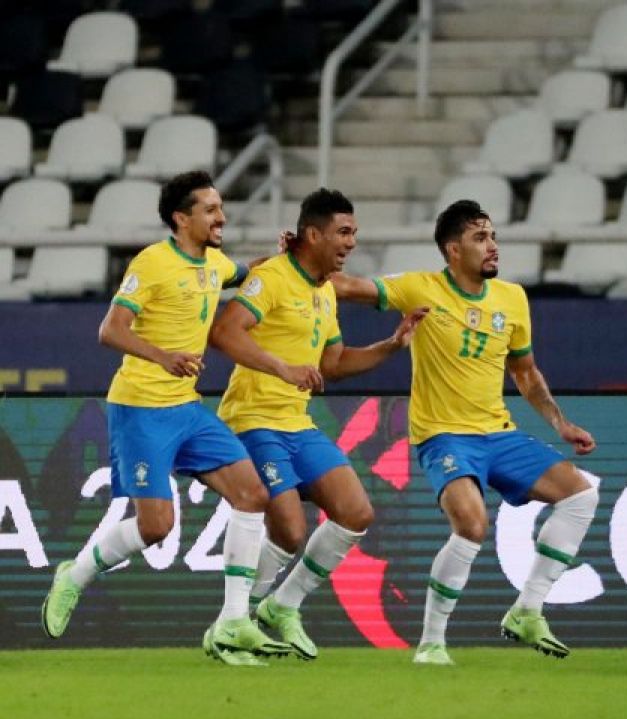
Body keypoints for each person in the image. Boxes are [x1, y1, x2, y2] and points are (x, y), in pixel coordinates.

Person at [40, 170, 291, 666]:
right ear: (182, 218)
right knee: (155, 527)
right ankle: (74, 576)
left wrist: (280, 258)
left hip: (187, 409)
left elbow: (247, 272)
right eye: (211, 210)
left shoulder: (214, 263)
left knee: (252, 494)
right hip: (141, 409)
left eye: (220, 208)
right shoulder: (152, 262)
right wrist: (162, 356)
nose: (221, 216)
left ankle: (234, 623)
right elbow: (110, 329)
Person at [332, 199, 598, 667]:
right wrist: (291, 266)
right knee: (472, 525)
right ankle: (432, 642)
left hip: (498, 434)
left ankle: (528, 609)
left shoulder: (512, 298)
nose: (493, 246)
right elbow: (347, 286)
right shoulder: (420, 287)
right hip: (444, 436)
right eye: (480, 238)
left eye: (493, 236)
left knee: (580, 494)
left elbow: (527, 373)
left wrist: (560, 422)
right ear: (453, 249)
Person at [208, 188, 426, 662]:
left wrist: (391, 345)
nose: (351, 243)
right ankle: (233, 622)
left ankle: (281, 607)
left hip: (296, 423)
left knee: (356, 512)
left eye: (354, 234)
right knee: (287, 529)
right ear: (313, 234)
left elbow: (334, 362)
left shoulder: (325, 290)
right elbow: (223, 333)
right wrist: (282, 368)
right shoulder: (271, 278)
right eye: (343, 233)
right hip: (252, 418)